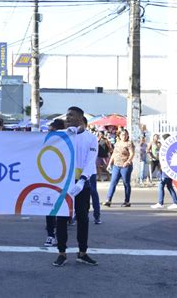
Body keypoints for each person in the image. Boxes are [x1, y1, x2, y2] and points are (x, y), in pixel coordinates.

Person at [53, 106, 98, 267]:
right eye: (67, 116)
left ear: (80, 118)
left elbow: (90, 160)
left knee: (83, 218)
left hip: (81, 184)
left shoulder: (91, 138)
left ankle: (82, 252)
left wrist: (82, 180)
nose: (67, 118)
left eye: (71, 115)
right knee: (61, 218)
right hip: (63, 183)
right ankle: (62, 253)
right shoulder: (62, 136)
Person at [44, 119, 65, 247]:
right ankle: (51, 234)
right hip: (48, 180)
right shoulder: (46, 142)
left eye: (52, 131)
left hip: (63, 181)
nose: (49, 133)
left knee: (61, 209)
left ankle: (59, 234)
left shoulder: (68, 142)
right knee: (49, 207)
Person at [102, 129, 135, 207]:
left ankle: (127, 201)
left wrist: (128, 161)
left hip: (125, 166)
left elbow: (132, 153)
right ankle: (108, 200)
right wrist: (110, 163)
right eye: (122, 134)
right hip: (116, 165)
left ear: (127, 135)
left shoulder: (129, 143)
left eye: (125, 134)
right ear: (119, 135)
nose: (124, 136)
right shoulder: (117, 143)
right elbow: (114, 153)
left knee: (126, 183)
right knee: (113, 183)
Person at [150, 134, 177, 210]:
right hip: (166, 170)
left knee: (161, 184)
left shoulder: (168, 148)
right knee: (169, 186)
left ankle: (160, 203)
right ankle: (175, 202)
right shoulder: (169, 147)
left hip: (166, 170)